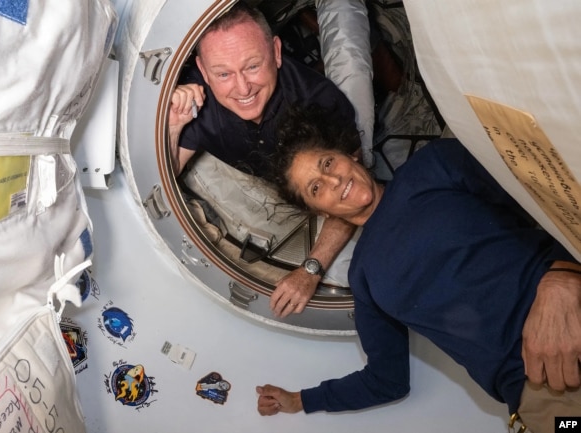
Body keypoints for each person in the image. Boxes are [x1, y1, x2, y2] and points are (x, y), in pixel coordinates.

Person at [255, 107, 581, 433]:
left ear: (350, 155)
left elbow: (549, 195)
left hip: (570, 309)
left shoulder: (433, 165)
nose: (333, 180)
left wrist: (563, 276)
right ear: (319, 211)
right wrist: (300, 400)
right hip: (544, 390)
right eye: (316, 188)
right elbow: (387, 380)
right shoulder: (364, 278)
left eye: (328, 163)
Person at [168, 1, 362, 317]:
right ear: (203, 70)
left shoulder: (320, 103)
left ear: (275, 51)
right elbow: (165, 174)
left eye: (253, 66)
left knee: (352, 66)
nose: (242, 87)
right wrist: (175, 124)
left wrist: (310, 270)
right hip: (262, 180)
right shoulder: (196, 100)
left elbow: (354, 192)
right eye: (223, 73)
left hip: (318, 185)